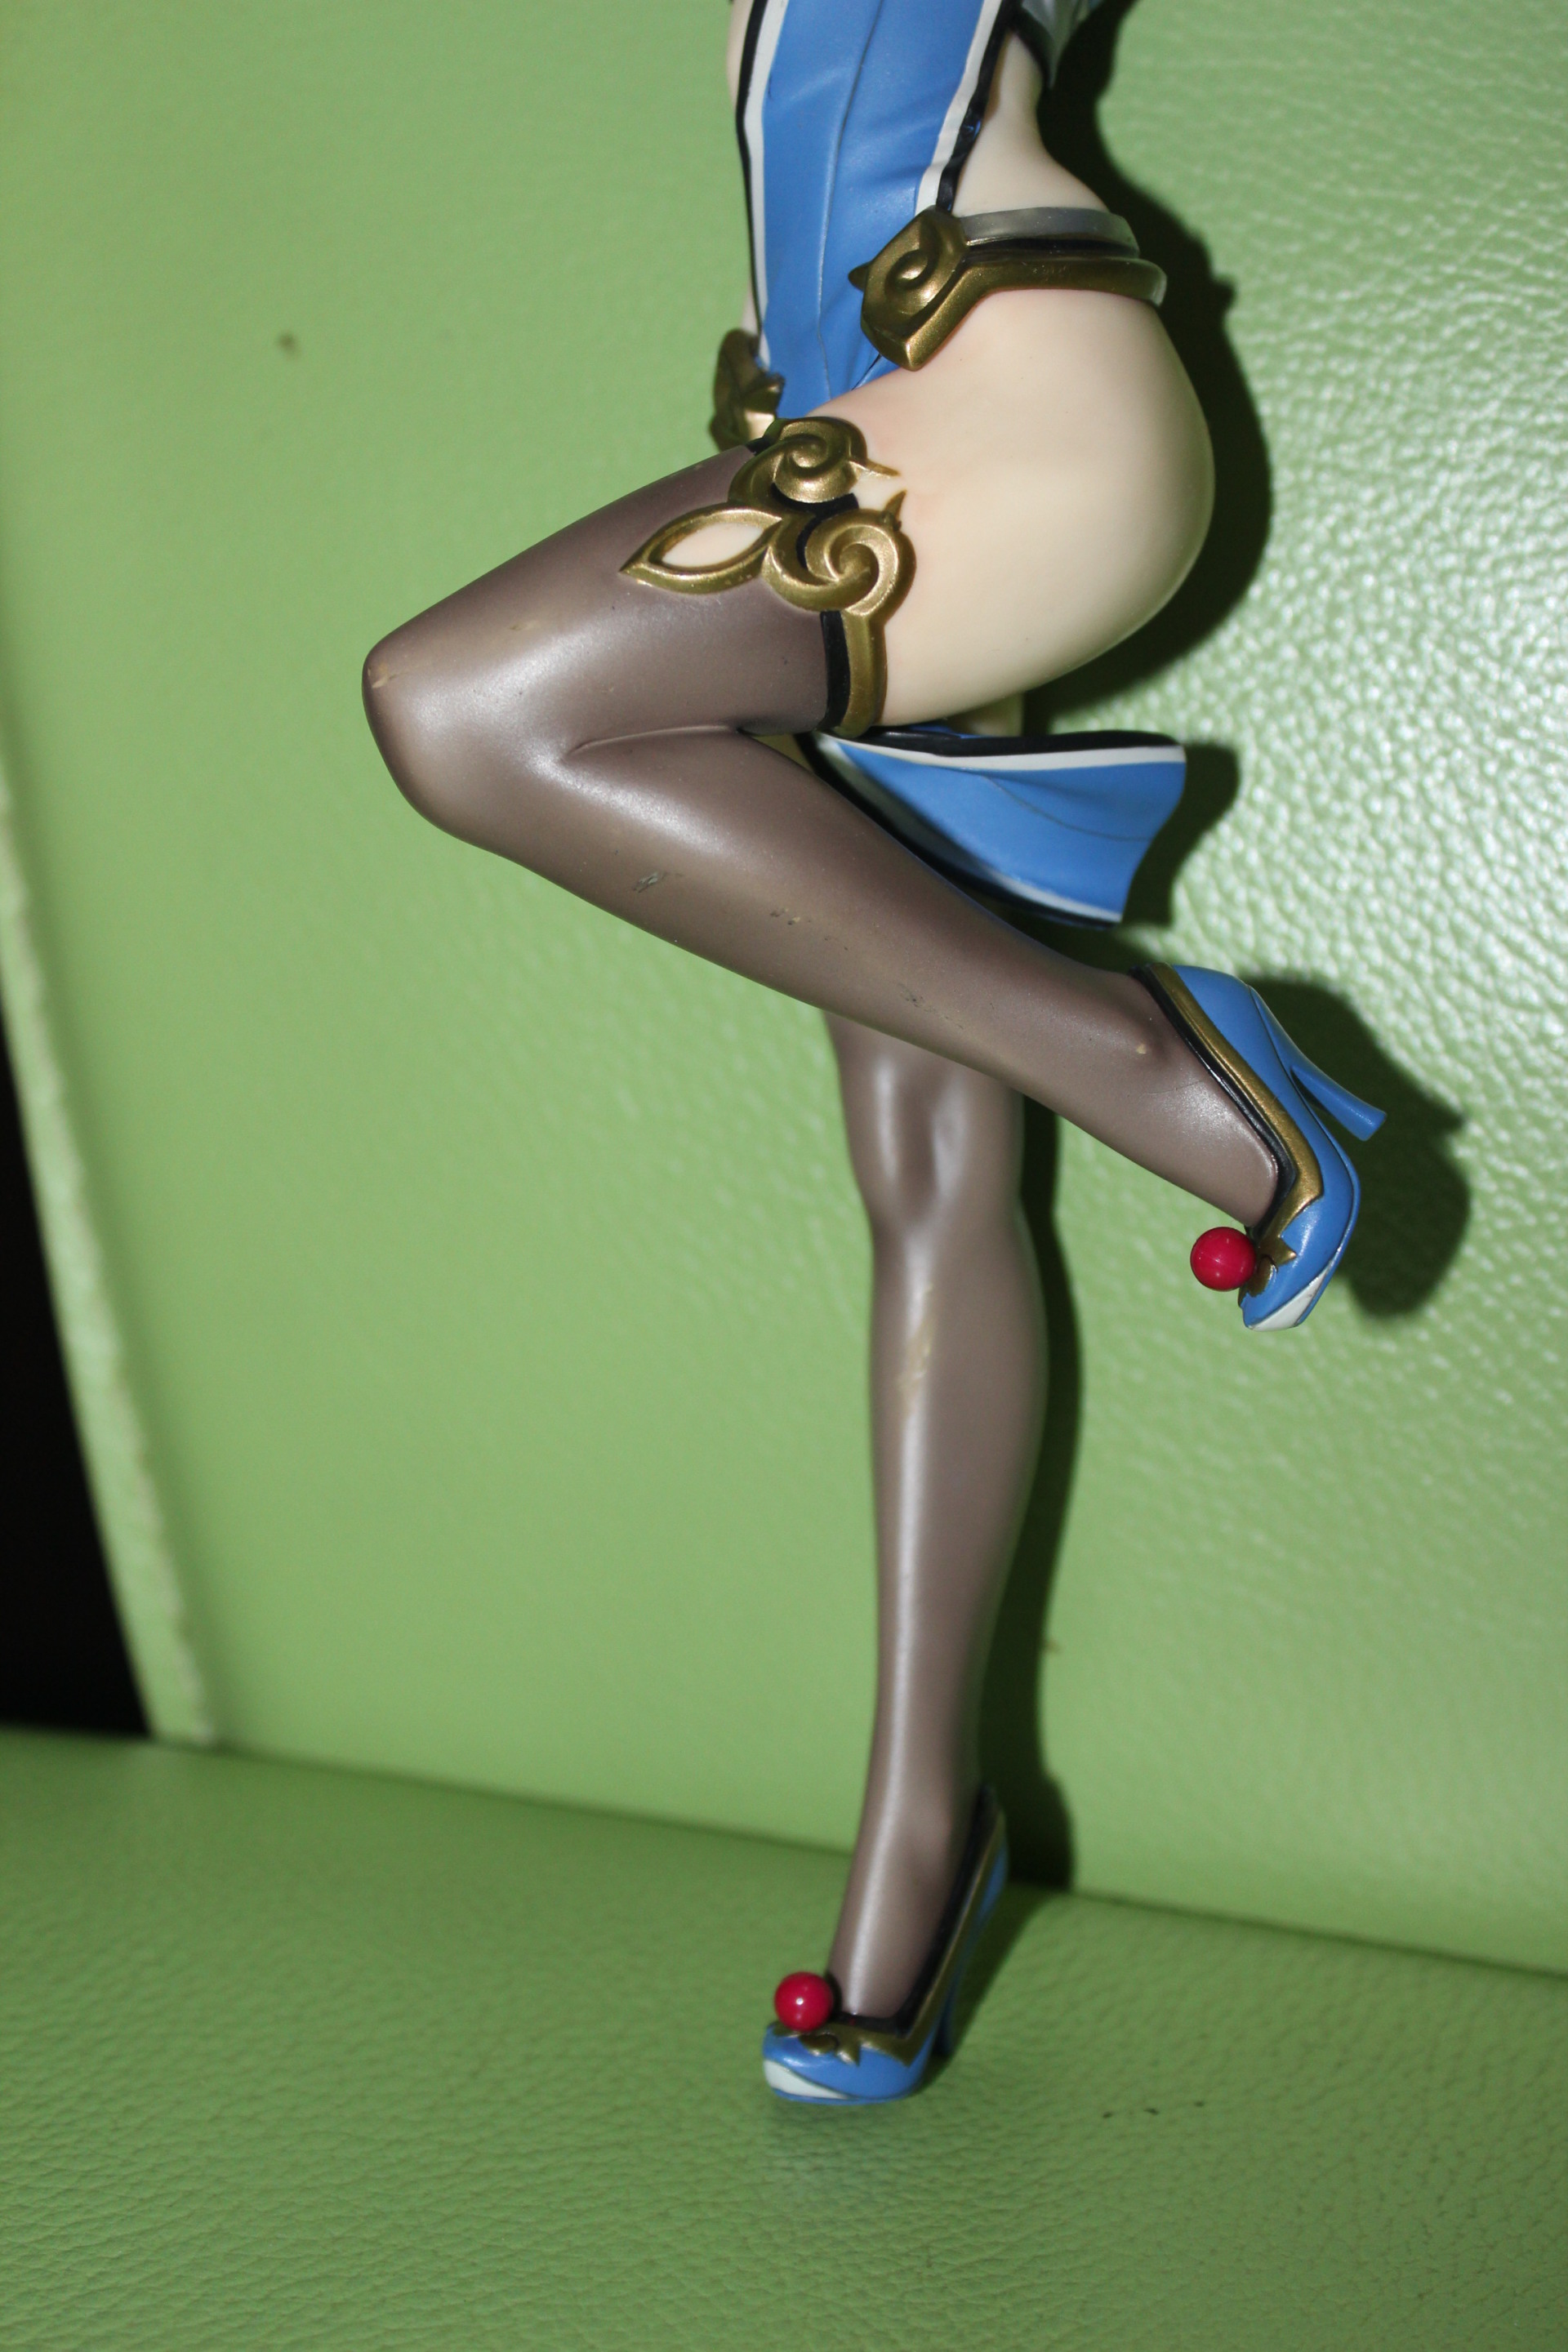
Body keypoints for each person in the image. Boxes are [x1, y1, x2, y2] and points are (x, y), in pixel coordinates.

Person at [363, 0, 1381, 2104]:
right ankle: (927, 1833)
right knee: (928, 1182)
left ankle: (1161, 1069)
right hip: (878, 456)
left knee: (461, 707)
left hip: (1012, 420)